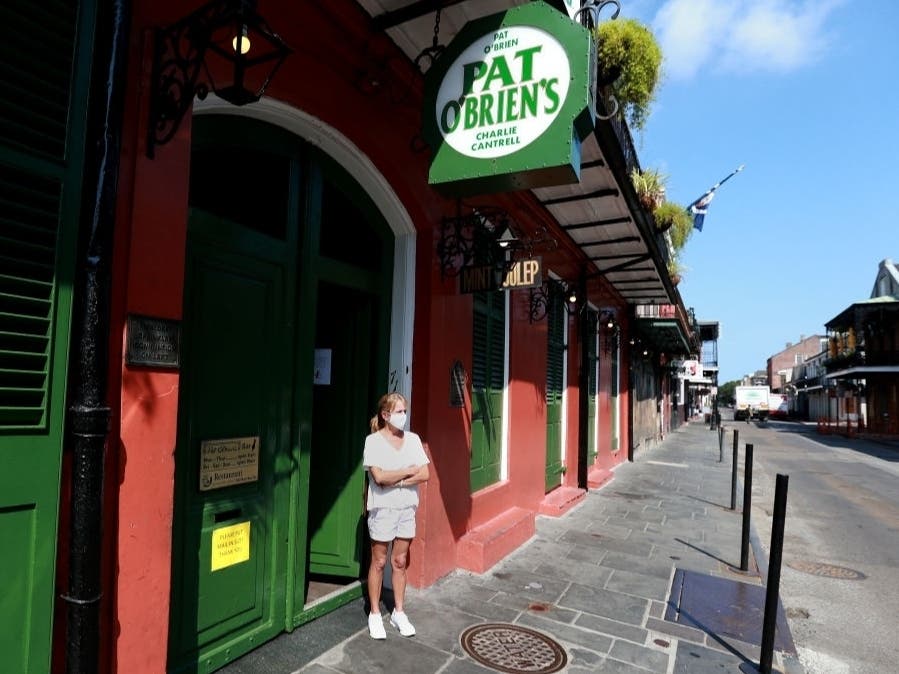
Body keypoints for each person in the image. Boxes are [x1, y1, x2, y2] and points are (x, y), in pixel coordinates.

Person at [363, 392, 429, 640]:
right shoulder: (373, 442)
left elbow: (424, 474)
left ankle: (398, 612)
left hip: (406, 509)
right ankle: (375, 614)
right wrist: (407, 470)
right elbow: (379, 478)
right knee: (379, 562)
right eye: (399, 411)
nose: (403, 415)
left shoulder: (413, 440)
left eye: (405, 411)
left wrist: (397, 480)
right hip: (382, 510)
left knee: (400, 562)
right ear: (385, 415)